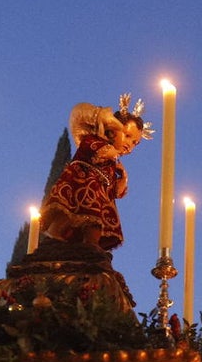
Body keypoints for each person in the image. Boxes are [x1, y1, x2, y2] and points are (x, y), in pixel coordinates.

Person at [40, 94, 151, 252]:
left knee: (95, 224)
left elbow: (115, 191)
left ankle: (91, 247)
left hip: (99, 200)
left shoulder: (114, 163)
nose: (130, 145)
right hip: (80, 186)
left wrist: (123, 179)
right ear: (112, 130)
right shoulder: (93, 140)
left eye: (135, 143)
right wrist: (111, 152)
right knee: (67, 215)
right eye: (127, 136)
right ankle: (53, 236)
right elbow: (95, 150)